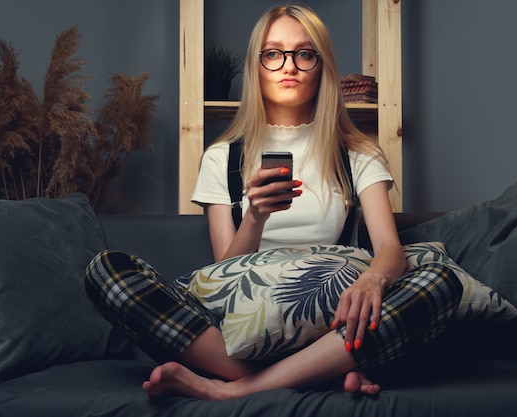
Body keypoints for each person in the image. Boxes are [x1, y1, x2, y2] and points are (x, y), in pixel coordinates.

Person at [85, 4, 461, 401]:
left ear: (322, 66)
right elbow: (223, 277)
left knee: (441, 283)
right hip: (243, 326)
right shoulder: (223, 157)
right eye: (273, 53)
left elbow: (389, 248)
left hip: (332, 321)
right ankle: (319, 372)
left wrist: (371, 280)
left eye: (304, 53)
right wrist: (255, 216)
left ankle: (237, 388)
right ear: (257, 67)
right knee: (107, 271)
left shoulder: (357, 154)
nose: (289, 66)